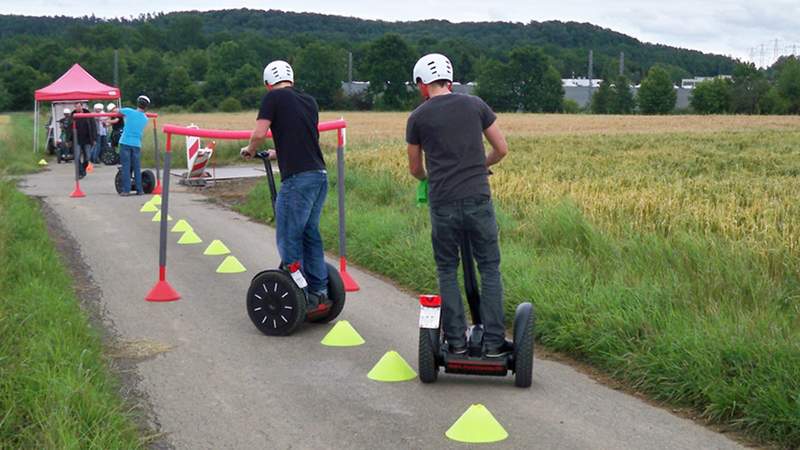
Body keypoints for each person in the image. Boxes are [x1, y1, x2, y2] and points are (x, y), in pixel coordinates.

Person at [405, 53, 511, 358]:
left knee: (447, 269)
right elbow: (501, 149)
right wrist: (480, 165)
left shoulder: (418, 117)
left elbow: (415, 168)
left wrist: (430, 178)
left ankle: (456, 341)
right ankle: (493, 343)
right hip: (478, 196)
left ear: (423, 84)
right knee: (489, 267)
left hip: (443, 202)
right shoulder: (475, 104)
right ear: (449, 81)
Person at [240, 60, 330, 310]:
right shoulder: (309, 101)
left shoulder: (273, 98)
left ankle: (298, 290)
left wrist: (250, 150)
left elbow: (259, 133)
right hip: (319, 175)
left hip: (298, 180)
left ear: (268, 83)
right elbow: (303, 139)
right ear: (292, 79)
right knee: (310, 233)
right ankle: (319, 290)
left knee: (289, 236)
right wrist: (274, 154)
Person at [117, 95, 151, 196]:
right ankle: (139, 190)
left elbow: (118, 111)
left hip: (125, 142)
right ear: (146, 107)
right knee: (137, 167)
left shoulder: (129, 111)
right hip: (136, 144)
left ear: (137, 103)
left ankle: (126, 190)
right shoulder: (145, 119)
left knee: (126, 167)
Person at [72, 102, 96, 178]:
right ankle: (80, 172)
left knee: (88, 157)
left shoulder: (88, 115)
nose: (77, 108)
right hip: (77, 140)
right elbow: (69, 129)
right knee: (77, 156)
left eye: (79, 106)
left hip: (87, 139)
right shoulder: (73, 116)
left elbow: (93, 127)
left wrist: (94, 138)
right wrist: (68, 140)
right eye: (76, 107)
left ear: (82, 106)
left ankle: (83, 168)